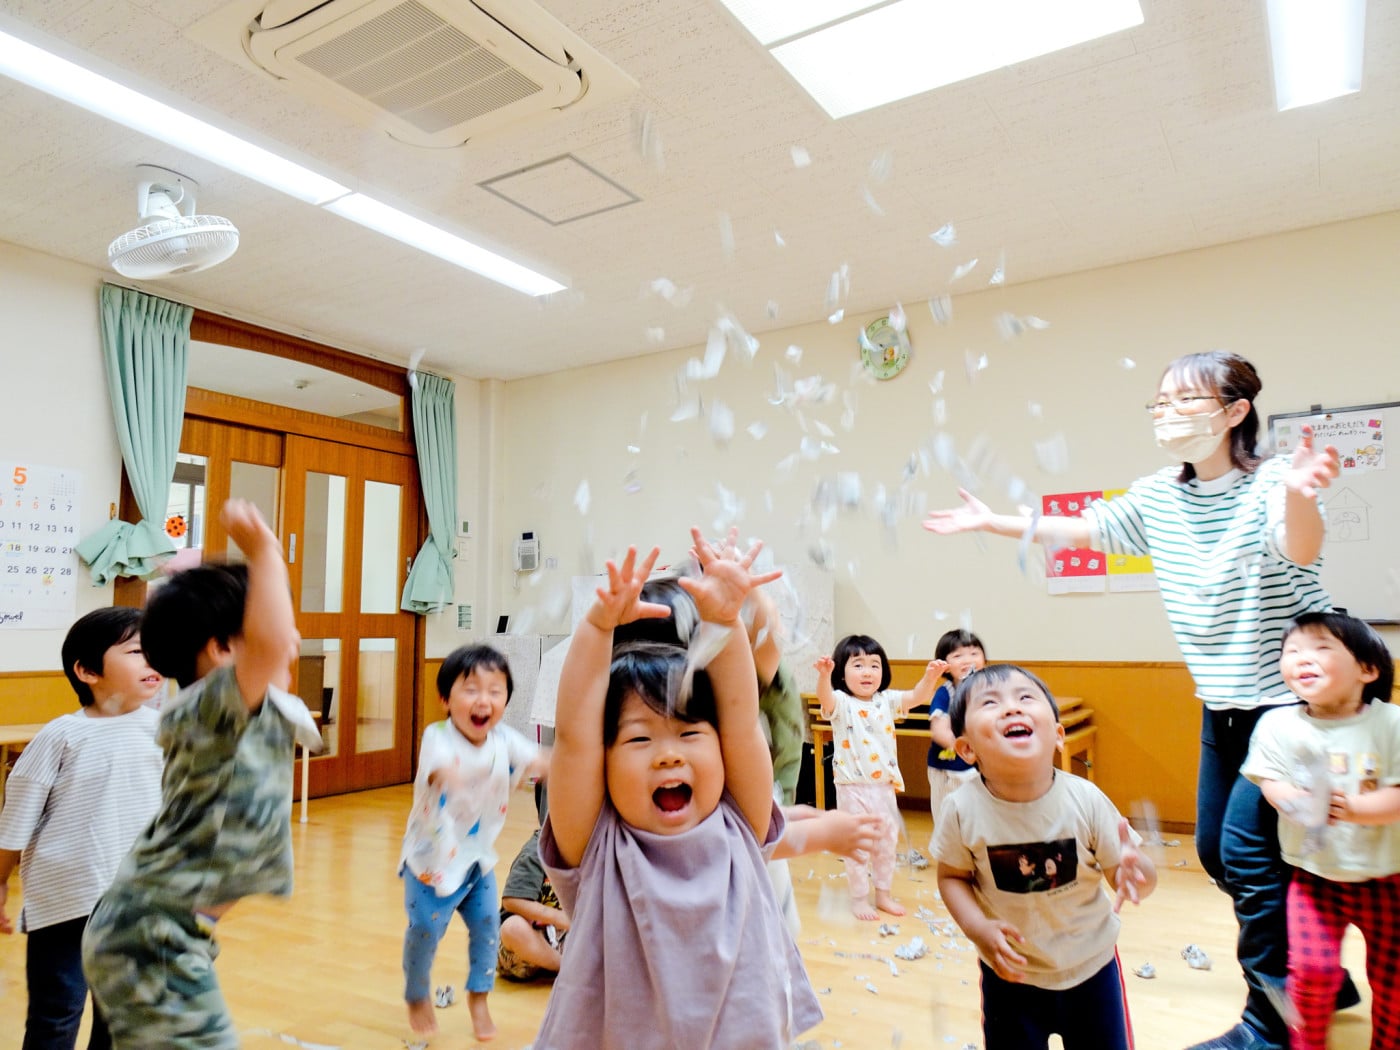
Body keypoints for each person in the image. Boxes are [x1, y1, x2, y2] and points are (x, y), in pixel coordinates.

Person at [924, 349, 1343, 1050]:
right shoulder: (1158, 497)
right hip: (1224, 703)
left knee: (1242, 855)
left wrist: (1300, 493)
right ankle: (1322, 963)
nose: (1169, 415)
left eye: (1187, 401)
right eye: (1161, 403)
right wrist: (992, 522)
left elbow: (1301, 549)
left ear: (1236, 411)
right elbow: (1084, 531)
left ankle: (1273, 1024)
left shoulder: (1275, 483)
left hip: (1288, 706)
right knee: (1216, 851)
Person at [533, 536, 822, 1049]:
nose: (669, 755)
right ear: (605, 760)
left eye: (689, 734)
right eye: (640, 739)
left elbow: (738, 717)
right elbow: (575, 738)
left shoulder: (741, 823)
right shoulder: (595, 848)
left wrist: (727, 623)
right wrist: (598, 626)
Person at [81, 501, 321, 1050]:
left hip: (162, 930)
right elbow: (268, 645)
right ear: (220, 650)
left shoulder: (232, 711)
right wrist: (264, 550)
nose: (292, 640)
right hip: (152, 936)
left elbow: (270, 653)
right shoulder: (213, 706)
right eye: (273, 625)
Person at [932, 663, 1156, 1050]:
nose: (1011, 709)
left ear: (1057, 734)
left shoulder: (1084, 800)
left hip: (1092, 969)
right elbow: (952, 877)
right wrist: (978, 929)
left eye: (1025, 698)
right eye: (990, 703)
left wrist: (1138, 874)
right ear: (966, 748)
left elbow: (1129, 873)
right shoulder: (960, 810)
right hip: (1010, 974)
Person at [0, 607, 165, 1050]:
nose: (153, 660)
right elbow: (16, 821)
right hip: (66, 901)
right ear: (87, 670)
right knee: (57, 1012)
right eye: (136, 651)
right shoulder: (62, 736)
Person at [1241, 612, 1399, 1050]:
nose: (1301, 658)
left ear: (1367, 670)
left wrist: (1351, 808)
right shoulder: (1277, 724)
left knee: (1394, 981)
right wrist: (1290, 799)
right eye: (1291, 651)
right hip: (1313, 878)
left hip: (1387, 876)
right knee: (1311, 974)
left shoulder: (1390, 724)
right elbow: (1269, 780)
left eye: (1322, 648)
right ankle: (1307, 1043)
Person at [400, 642, 547, 1039]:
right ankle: (416, 994)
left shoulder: (503, 740)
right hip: (430, 865)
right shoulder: (439, 737)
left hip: (476, 863)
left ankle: (478, 998)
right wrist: (449, 775)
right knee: (424, 933)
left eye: (495, 691)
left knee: (487, 929)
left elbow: (538, 758)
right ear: (445, 698)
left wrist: (551, 763)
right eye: (471, 689)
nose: (484, 700)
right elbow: (437, 768)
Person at [815, 634, 942, 920]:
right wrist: (824, 676)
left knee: (886, 843)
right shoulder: (841, 702)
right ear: (842, 673)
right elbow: (825, 697)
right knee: (857, 845)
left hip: (883, 787)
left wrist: (930, 677)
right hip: (851, 789)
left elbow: (918, 697)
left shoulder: (887, 700)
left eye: (875, 665)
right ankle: (859, 898)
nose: (868, 672)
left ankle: (883, 894)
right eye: (858, 665)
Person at [911, 628, 986, 844]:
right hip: (948, 767)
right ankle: (950, 852)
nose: (967, 660)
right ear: (944, 664)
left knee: (979, 812)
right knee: (948, 812)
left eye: (974, 653)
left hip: (979, 766)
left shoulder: (989, 688)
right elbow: (939, 730)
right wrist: (962, 746)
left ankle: (975, 849)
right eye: (958, 655)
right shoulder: (946, 693)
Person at [497, 788, 567, 983]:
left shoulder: (591, 847)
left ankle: (573, 963)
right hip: (527, 948)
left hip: (569, 938)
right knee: (513, 929)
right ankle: (565, 967)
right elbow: (512, 901)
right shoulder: (535, 852)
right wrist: (559, 918)